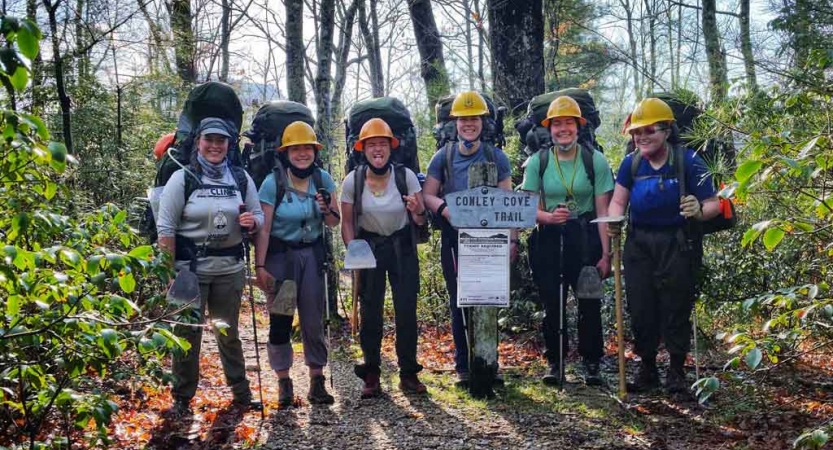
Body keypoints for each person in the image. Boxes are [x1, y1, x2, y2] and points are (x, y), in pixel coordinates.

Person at [607, 98, 719, 393]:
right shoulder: (630, 163)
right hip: (638, 243)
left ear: (667, 130)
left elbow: (713, 205)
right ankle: (647, 369)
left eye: (649, 130)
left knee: (676, 305)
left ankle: (677, 371)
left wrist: (698, 210)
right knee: (641, 306)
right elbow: (619, 200)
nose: (642, 137)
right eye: (636, 132)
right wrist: (613, 221)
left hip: (678, 242)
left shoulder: (688, 161)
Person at [156, 117, 265, 415]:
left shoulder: (240, 178)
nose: (215, 146)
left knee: (228, 331)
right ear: (199, 142)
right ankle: (181, 398)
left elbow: (258, 216)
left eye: (221, 141)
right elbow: (165, 229)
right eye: (209, 140)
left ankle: (241, 393)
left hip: (229, 268)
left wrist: (252, 222)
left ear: (229, 145)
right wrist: (168, 273)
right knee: (187, 332)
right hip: (188, 269)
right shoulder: (183, 178)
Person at [422, 91, 515, 387]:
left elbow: (508, 201)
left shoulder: (496, 157)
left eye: (474, 118)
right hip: (454, 236)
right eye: (463, 119)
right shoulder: (443, 157)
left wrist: (512, 241)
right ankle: (463, 365)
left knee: (488, 297)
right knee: (459, 300)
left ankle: (488, 361)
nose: (468, 124)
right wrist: (447, 211)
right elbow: (428, 195)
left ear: (483, 122)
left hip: (490, 237)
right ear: (455, 123)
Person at [521, 96, 615, 386]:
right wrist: (548, 218)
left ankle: (591, 363)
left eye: (569, 123)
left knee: (588, 300)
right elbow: (525, 210)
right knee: (553, 301)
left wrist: (606, 255)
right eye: (557, 124)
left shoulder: (594, 160)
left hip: (586, 236)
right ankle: (555, 362)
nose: (563, 129)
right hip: (549, 237)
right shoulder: (538, 162)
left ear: (579, 126)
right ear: (549, 129)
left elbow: (603, 211)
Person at [254, 121, 339, 407]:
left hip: (312, 258)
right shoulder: (273, 182)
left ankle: (317, 381)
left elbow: (333, 222)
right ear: (286, 152)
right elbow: (263, 229)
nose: (303, 153)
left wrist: (327, 207)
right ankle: (284, 383)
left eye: (308, 148)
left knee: (314, 321)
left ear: (315, 151)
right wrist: (260, 266)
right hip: (281, 259)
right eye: (296, 149)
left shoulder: (323, 179)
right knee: (281, 320)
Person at [340, 118, 428, 398]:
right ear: (362, 149)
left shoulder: (406, 177)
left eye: (382, 144)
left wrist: (417, 210)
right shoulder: (353, 180)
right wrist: (354, 249)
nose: (377, 149)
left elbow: (421, 218)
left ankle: (408, 373)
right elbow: (346, 221)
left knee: (406, 310)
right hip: (369, 247)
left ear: (391, 148)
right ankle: (372, 372)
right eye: (371, 144)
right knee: (370, 312)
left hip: (402, 246)